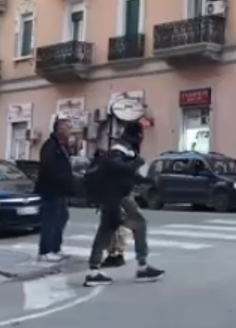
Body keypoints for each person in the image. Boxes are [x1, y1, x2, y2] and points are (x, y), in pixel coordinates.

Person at [84, 121, 162, 286]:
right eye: (141, 135)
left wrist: (148, 180)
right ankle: (95, 271)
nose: (142, 138)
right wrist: (137, 164)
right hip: (114, 197)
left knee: (122, 227)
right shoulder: (119, 149)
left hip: (118, 196)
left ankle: (140, 266)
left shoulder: (127, 150)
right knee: (111, 229)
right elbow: (118, 167)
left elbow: (128, 173)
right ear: (136, 135)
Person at [35, 119, 74, 263]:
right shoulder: (50, 146)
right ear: (59, 130)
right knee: (50, 219)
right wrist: (62, 177)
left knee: (62, 217)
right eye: (67, 128)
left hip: (59, 190)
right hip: (50, 189)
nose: (69, 131)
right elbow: (48, 167)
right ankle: (45, 251)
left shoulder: (62, 146)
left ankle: (56, 248)